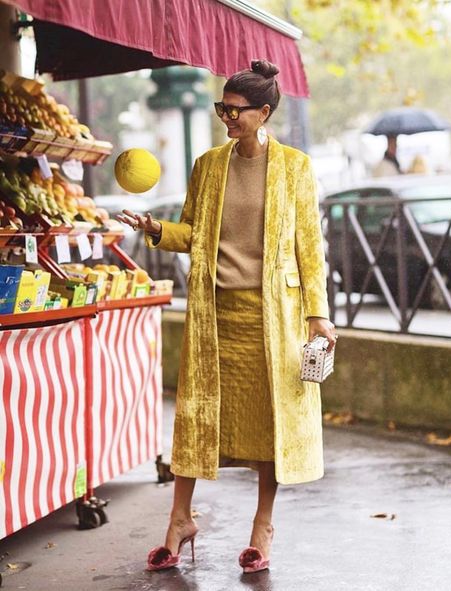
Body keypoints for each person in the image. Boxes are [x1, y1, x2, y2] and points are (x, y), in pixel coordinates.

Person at [117, 59, 336, 575]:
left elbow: (310, 247)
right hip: (214, 313)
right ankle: (178, 521)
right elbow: (194, 234)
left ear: (263, 112)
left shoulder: (297, 168)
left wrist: (318, 314)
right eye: (221, 108)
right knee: (195, 415)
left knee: (269, 424)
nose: (225, 117)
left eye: (234, 110)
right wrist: (155, 228)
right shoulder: (209, 165)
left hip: (273, 318)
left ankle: (263, 525)